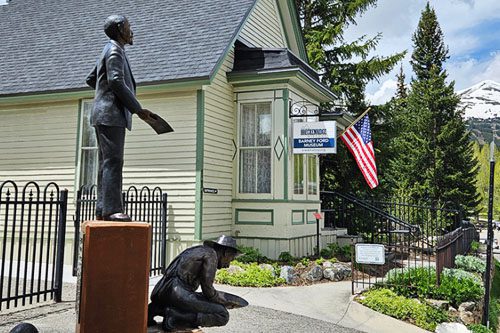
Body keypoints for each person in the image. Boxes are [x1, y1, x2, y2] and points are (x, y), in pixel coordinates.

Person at [86, 15, 151, 222]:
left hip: (103, 113)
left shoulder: (109, 49)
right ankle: (112, 210)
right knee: (113, 161)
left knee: (106, 163)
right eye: (129, 27)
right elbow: (115, 81)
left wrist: (102, 94)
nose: (132, 31)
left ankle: (102, 208)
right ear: (120, 29)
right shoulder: (115, 50)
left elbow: (91, 79)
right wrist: (137, 109)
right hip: (110, 114)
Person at [148, 235, 244, 331]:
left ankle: (156, 310)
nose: (228, 265)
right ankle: (177, 316)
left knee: (198, 299)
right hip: (178, 294)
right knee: (222, 314)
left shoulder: (198, 250)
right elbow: (208, 291)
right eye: (230, 259)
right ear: (226, 253)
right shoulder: (211, 255)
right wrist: (226, 301)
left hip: (162, 292)